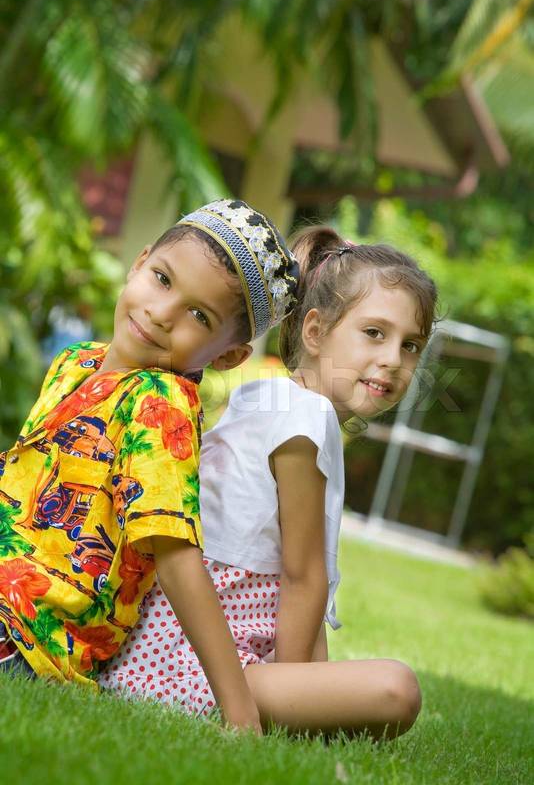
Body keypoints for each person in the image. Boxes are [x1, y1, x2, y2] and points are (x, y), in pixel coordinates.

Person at [99, 226, 438, 739]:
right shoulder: (306, 417)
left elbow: (301, 586)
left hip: (168, 647)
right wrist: (306, 698)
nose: (393, 359)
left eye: (410, 345)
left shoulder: (267, 397)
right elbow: (303, 579)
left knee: (367, 695)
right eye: (374, 333)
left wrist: (319, 686)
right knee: (397, 690)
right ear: (315, 332)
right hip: (194, 665)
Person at [0, 198, 299, 733]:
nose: (162, 313)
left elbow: (175, 553)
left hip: (29, 634)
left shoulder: (160, 404)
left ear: (229, 357)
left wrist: (240, 712)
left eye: (199, 316)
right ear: (138, 263)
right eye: (162, 279)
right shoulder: (75, 362)